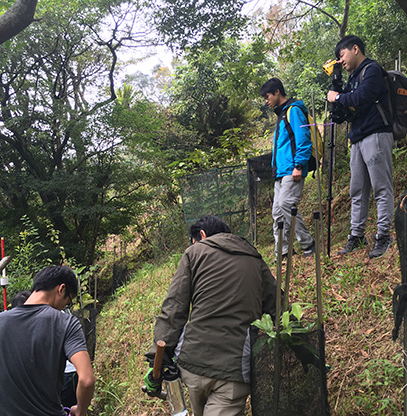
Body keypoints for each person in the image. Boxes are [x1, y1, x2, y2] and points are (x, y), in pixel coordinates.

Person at [145, 215, 278, 415]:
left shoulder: (194, 253)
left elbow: (173, 310)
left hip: (193, 365)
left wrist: (158, 358)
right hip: (235, 370)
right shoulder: (254, 259)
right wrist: (308, 351)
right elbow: (278, 306)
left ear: (202, 235)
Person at [0, 266, 95, 416]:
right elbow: (86, 380)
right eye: (68, 300)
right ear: (61, 289)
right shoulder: (66, 323)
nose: (64, 307)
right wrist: (80, 410)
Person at [326, 35, 394, 258]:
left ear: (355, 49)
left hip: (375, 133)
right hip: (357, 138)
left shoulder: (371, 70)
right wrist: (336, 85)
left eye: (342, 55)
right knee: (357, 190)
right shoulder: (352, 78)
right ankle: (356, 236)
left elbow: (363, 96)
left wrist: (338, 97)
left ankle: (383, 236)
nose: (340, 60)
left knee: (381, 187)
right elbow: (343, 107)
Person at [260, 77, 315, 259]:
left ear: (277, 92)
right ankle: (283, 252)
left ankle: (308, 244)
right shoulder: (281, 114)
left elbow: (303, 139)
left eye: (267, 97)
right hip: (281, 172)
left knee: (286, 205)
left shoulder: (294, 111)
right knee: (277, 212)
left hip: (292, 169)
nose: (266, 101)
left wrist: (299, 165)